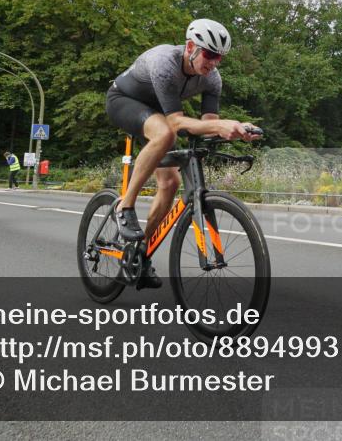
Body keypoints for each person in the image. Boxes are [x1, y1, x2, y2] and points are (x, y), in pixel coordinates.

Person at [105, 19, 261, 289]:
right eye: (209, 54)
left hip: (158, 112)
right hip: (124, 101)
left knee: (170, 183)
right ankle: (124, 206)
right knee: (167, 133)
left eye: (219, 57)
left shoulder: (212, 79)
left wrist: (236, 129)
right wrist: (220, 125)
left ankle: (139, 254)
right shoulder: (165, 62)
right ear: (190, 47)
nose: (214, 63)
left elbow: (208, 125)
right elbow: (176, 122)